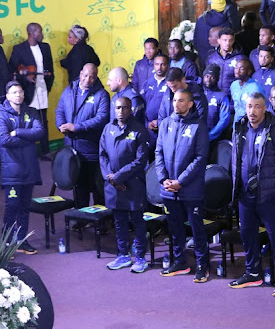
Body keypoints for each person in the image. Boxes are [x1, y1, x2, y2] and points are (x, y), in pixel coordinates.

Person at [229, 93, 275, 296]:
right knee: (247, 236)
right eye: (249, 106)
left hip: (271, 196)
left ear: (265, 108)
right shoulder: (239, 129)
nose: (252, 111)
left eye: (257, 106)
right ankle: (253, 273)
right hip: (245, 196)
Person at [155, 89, 210, 282]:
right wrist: (164, 179)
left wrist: (181, 181)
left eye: (181, 101)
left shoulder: (199, 126)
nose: (177, 104)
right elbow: (158, 152)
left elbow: (200, 158)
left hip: (191, 189)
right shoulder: (165, 124)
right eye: (175, 100)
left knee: (196, 229)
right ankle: (180, 262)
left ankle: (203, 265)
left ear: (190, 104)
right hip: (169, 188)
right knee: (175, 228)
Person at [99, 97, 150, 274]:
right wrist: (110, 178)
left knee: (137, 221)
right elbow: (103, 155)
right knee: (119, 221)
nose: (121, 111)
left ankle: (141, 258)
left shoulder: (139, 130)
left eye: (125, 108)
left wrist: (119, 177)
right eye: (118, 107)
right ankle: (123, 255)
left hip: (133, 183)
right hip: (113, 185)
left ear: (131, 110)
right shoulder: (108, 128)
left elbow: (140, 160)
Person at [55, 63, 110, 209]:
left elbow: (102, 118)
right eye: (85, 76)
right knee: (79, 185)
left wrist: (77, 127)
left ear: (96, 77)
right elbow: (60, 109)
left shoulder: (102, 94)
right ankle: (81, 218)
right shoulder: (69, 90)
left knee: (97, 187)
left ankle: (101, 221)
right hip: (72, 149)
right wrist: (61, 125)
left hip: (91, 149)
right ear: (80, 74)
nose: (87, 80)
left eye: (92, 77)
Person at [0, 81, 43, 255]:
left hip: (30, 170)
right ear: (8, 96)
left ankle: (22, 241)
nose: (18, 94)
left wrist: (17, 132)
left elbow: (39, 132)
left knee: (25, 207)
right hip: (12, 172)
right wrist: (28, 138)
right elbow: (4, 140)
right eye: (14, 92)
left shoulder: (31, 112)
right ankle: (6, 245)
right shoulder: (2, 115)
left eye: (20, 91)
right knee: (12, 207)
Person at [9, 23, 54, 155]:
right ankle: (28, 152)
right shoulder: (19, 49)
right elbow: (13, 70)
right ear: (31, 33)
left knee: (43, 120)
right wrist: (26, 79)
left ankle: (46, 151)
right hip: (28, 91)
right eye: (40, 32)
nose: (42, 34)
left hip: (42, 89)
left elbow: (49, 68)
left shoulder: (45, 47)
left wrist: (48, 80)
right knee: (27, 122)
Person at [194, 0, 234, 65]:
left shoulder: (200, 20)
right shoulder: (227, 24)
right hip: (220, 62)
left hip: (203, 58)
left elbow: (196, 41)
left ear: (211, 5)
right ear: (224, 6)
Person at [205, 28, 244, 93]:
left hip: (233, 97)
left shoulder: (240, 59)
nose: (227, 43)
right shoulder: (211, 58)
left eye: (230, 40)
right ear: (219, 41)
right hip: (215, 96)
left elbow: (243, 80)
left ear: (233, 40)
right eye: (224, 40)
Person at [142, 54, 169, 145]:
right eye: (157, 64)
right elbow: (141, 106)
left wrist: (160, 121)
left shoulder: (171, 84)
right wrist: (147, 123)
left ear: (168, 65)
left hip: (166, 129)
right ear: (154, 65)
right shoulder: (147, 83)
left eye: (163, 64)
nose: (159, 67)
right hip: (148, 129)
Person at [202, 64, 232, 144]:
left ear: (217, 79)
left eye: (212, 77)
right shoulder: (198, 92)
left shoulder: (222, 96)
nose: (209, 79)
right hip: (198, 135)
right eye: (207, 76)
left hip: (214, 138)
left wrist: (210, 136)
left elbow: (224, 120)